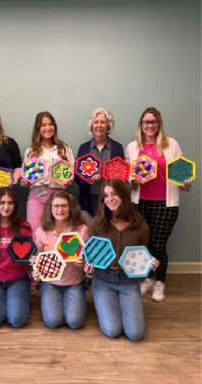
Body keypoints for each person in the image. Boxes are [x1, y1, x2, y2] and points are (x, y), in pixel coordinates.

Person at [126, 107, 191, 302]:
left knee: (158, 244)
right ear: (141, 125)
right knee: (143, 243)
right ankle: (147, 278)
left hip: (166, 204)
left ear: (159, 124)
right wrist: (133, 181)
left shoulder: (171, 144)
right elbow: (130, 176)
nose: (150, 125)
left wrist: (186, 184)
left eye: (153, 122)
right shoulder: (132, 147)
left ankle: (160, 282)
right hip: (140, 203)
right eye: (146, 122)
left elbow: (182, 176)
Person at [87, 180, 157, 341]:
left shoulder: (141, 226)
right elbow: (90, 255)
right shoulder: (96, 224)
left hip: (128, 281)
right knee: (112, 330)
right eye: (106, 195)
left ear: (124, 195)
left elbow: (142, 254)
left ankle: (124, 303)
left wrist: (149, 264)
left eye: (114, 194)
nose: (109, 199)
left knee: (135, 334)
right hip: (103, 280)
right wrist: (88, 266)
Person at [31, 191, 88, 330]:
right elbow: (36, 259)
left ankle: (73, 300)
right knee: (52, 321)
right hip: (50, 284)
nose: (60, 210)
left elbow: (89, 258)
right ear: (50, 209)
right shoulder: (41, 231)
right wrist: (36, 271)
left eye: (64, 206)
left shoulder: (82, 230)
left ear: (70, 208)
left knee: (75, 322)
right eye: (56, 206)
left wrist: (84, 261)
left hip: (74, 282)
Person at [0, 187, 33, 328]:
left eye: (10, 203)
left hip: (18, 279)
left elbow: (29, 255)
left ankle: (11, 301)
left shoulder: (24, 227)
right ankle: (1, 301)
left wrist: (33, 258)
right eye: (2, 203)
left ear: (15, 206)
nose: (6, 207)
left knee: (17, 321)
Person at [19, 111, 74, 230]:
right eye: (43, 125)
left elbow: (71, 173)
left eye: (50, 124)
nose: (47, 128)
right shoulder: (30, 150)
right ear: (38, 128)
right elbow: (27, 175)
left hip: (59, 197)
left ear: (55, 126)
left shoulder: (64, 148)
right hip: (37, 196)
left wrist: (70, 181)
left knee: (58, 232)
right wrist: (26, 181)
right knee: (34, 232)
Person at [75, 108, 124, 217]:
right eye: (96, 122)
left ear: (108, 125)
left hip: (111, 200)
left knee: (109, 232)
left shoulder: (117, 147)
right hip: (88, 199)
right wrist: (88, 180)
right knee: (90, 231)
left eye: (103, 122)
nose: (99, 125)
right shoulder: (83, 148)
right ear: (92, 125)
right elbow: (77, 177)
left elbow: (121, 176)